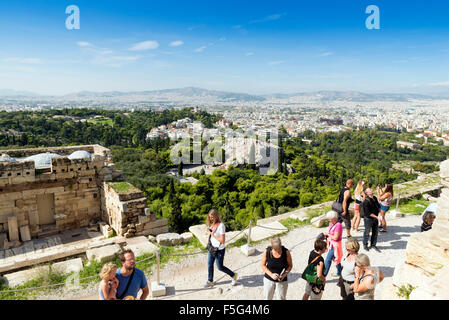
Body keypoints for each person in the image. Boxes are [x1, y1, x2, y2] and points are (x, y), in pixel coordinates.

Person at [204, 209, 238, 288]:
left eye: (212, 217)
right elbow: (213, 233)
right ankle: (210, 281)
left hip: (219, 250)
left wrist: (211, 234)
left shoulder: (221, 225)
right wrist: (210, 230)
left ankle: (233, 275)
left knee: (220, 267)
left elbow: (222, 240)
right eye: (210, 217)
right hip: (212, 248)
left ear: (216, 216)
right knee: (209, 264)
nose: (210, 219)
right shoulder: (213, 224)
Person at [323, 210, 343, 277]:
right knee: (335, 258)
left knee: (328, 260)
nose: (329, 220)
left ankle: (323, 275)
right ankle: (339, 271)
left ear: (333, 218)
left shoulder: (338, 225)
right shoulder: (332, 223)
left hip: (335, 245)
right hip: (332, 244)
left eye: (329, 219)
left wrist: (328, 234)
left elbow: (335, 238)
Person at [361, 188, 381, 252]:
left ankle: (373, 244)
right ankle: (365, 244)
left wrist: (380, 214)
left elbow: (378, 206)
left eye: (371, 189)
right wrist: (377, 217)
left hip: (375, 218)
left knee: (375, 232)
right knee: (367, 232)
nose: (372, 190)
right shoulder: (366, 201)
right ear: (367, 193)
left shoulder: (374, 198)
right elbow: (368, 213)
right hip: (368, 219)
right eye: (370, 190)